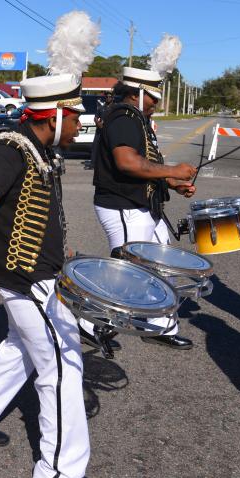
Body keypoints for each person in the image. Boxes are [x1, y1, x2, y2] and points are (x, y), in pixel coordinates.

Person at [0, 73, 91, 478]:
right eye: (74, 115)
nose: (80, 122)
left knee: (20, 350)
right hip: (27, 280)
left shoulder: (39, 149)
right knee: (62, 367)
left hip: (43, 273)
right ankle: (60, 469)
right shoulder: (7, 151)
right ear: (53, 115)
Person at [90, 63, 197, 351]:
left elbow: (148, 166)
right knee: (125, 273)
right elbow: (127, 162)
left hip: (142, 205)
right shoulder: (124, 118)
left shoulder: (136, 118)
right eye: (153, 98)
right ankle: (88, 323)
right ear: (137, 93)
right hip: (123, 206)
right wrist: (173, 171)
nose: (156, 104)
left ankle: (159, 325)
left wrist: (173, 182)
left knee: (164, 266)